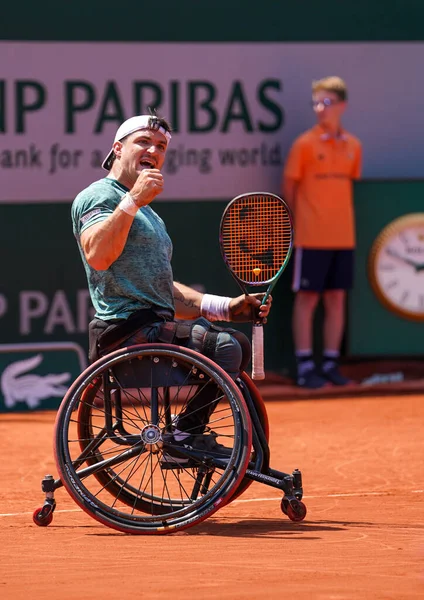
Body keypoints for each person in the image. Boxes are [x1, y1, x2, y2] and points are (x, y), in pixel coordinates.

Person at [71, 113, 271, 455]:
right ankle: (184, 437)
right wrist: (132, 200)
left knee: (233, 341)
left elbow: (162, 289)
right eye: (143, 142)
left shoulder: (150, 213)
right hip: (124, 331)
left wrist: (226, 306)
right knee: (225, 348)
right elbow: (98, 256)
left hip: (153, 326)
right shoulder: (98, 197)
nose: (154, 150)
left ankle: (189, 436)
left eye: (161, 146)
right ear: (118, 149)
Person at [282, 76, 362, 389]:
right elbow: (289, 187)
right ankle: (305, 366)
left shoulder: (354, 146)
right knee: (307, 299)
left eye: (327, 102)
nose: (320, 109)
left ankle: (330, 363)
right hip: (310, 237)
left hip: (343, 237)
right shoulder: (304, 144)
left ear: (342, 106)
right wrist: (303, 220)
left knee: (337, 299)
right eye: (316, 102)